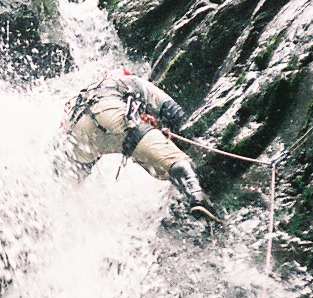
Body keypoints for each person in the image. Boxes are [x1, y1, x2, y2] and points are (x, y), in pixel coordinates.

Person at [63, 70, 216, 220]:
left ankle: (59, 216)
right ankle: (197, 196)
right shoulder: (131, 82)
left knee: (69, 183)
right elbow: (174, 112)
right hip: (113, 118)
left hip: (76, 130)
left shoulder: (87, 93)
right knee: (175, 160)